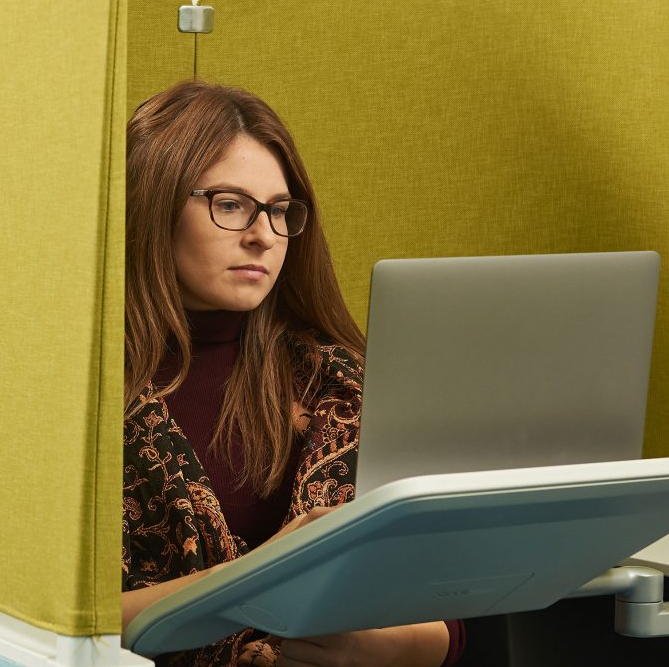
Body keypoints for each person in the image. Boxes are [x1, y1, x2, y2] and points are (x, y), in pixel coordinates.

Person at [120, 80, 466, 667]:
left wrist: (375, 648)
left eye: (278, 211)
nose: (262, 235)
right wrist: (261, 577)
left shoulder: (341, 384)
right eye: (230, 205)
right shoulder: (84, 391)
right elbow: (54, 619)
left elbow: (446, 605)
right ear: (153, 202)